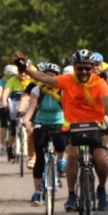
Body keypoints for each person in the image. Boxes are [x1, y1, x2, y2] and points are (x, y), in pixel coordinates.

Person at [13, 49, 108, 211]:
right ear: (74, 66)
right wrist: (26, 69)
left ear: (93, 68)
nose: (84, 72)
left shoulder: (100, 83)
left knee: (102, 160)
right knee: (72, 157)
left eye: (87, 68)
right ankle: (71, 195)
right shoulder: (67, 80)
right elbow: (45, 78)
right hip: (71, 127)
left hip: (94, 127)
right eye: (80, 68)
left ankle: (101, 189)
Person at [22, 62, 66, 206]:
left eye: (51, 76)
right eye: (46, 76)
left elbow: (68, 108)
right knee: (40, 158)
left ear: (56, 77)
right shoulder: (37, 90)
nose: (48, 79)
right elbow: (32, 107)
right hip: (41, 122)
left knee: (60, 143)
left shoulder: (62, 90)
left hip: (59, 122)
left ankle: (60, 159)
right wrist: (27, 120)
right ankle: (37, 192)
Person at [0, 65, 17, 157]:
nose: (12, 77)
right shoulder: (2, 81)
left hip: (15, 105)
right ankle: (1, 145)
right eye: (11, 75)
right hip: (4, 105)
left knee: (14, 126)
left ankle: (12, 145)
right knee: (3, 124)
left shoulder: (17, 81)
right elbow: (0, 90)